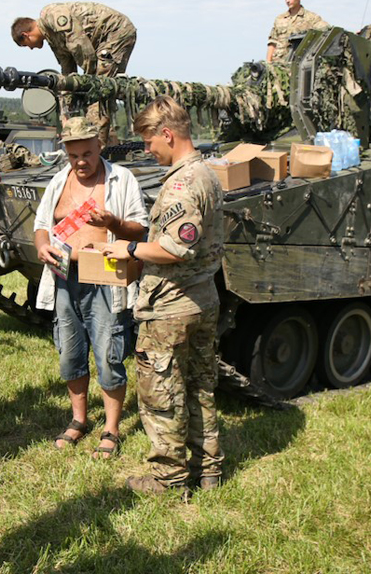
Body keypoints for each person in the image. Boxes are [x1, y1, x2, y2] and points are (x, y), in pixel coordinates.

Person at [101, 96, 225, 494]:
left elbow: (174, 248)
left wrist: (130, 249)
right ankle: (209, 469)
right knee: (200, 387)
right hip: (202, 299)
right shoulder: (206, 173)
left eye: (150, 142)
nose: (148, 150)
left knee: (162, 394)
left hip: (170, 307)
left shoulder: (182, 185)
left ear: (167, 135)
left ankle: (169, 478)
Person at [32, 117, 147, 457]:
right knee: (69, 351)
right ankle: (79, 419)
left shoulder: (120, 179)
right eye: (73, 156)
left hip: (106, 278)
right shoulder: (58, 181)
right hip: (65, 277)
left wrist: (112, 222)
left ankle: (111, 428)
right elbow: (42, 225)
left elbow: (139, 229)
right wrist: (42, 246)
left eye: (86, 153)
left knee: (109, 352)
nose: (80, 162)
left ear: (99, 146)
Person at [11, 2, 137, 146]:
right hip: (102, 42)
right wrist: (65, 114)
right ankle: (98, 142)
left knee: (99, 92)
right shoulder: (53, 39)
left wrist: (89, 85)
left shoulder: (52, 16)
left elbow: (82, 49)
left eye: (27, 45)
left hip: (116, 32)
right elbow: (67, 76)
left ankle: (96, 148)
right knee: (93, 92)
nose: (31, 49)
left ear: (25, 35)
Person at [266, 0, 329, 64]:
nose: (287, 1)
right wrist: (268, 64)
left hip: (298, 66)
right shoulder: (279, 19)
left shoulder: (311, 18)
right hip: (279, 66)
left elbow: (326, 30)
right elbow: (272, 43)